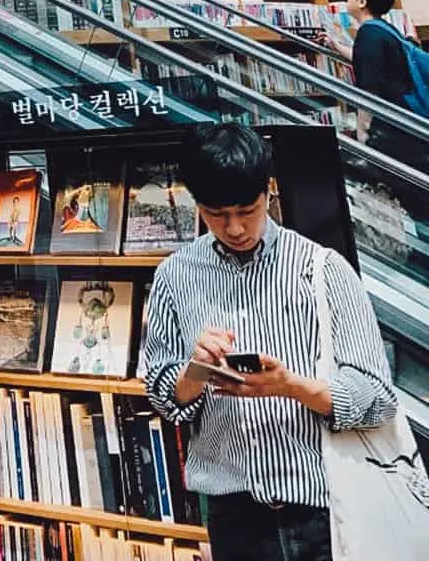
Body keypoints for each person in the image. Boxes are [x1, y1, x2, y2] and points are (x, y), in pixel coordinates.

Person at [139, 125, 397, 561]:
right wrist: (195, 371)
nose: (235, 227)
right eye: (217, 214)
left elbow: (377, 398)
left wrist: (291, 386)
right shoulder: (174, 276)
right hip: (232, 518)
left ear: (268, 192)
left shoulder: (323, 270)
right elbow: (163, 398)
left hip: (325, 512)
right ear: (196, 205)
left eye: (248, 209)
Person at [346, 0, 424, 171]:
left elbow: (369, 91)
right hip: (405, 117)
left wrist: (362, 134)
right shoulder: (385, 30)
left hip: (389, 126)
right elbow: (379, 65)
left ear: (362, 1)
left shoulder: (367, 34)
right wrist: (335, 46)